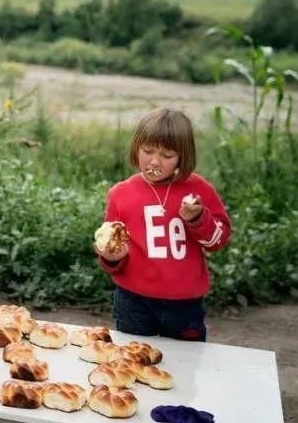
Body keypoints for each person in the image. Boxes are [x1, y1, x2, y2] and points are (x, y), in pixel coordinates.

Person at [94, 108, 231, 341]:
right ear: (136, 148)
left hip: (185, 306)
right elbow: (113, 250)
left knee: (186, 366)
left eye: (167, 155)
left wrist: (197, 218)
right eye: (147, 151)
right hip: (133, 303)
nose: (155, 161)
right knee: (132, 364)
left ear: (182, 157)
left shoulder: (198, 190)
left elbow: (217, 242)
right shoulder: (120, 194)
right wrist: (111, 257)